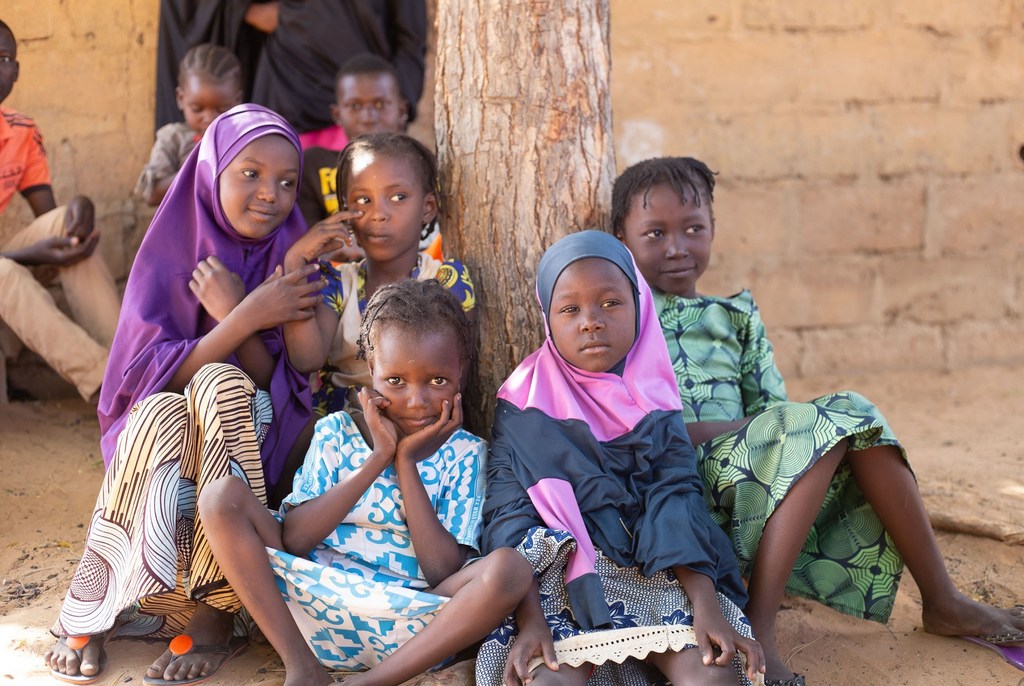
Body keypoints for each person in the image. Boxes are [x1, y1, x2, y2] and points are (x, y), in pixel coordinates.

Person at [611, 156, 1024, 685]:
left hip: (755, 472)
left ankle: (942, 599)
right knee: (824, 423)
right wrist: (751, 429)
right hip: (678, 483)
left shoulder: (736, 316)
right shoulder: (625, 317)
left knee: (855, 419)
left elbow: (779, 411)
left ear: (714, 229)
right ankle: (759, 630)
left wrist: (768, 429)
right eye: (655, 233)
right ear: (621, 239)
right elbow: (643, 431)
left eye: (694, 228)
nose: (677, 246)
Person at [44, 104, 351, 685]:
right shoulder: (170, 248)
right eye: (251, 174)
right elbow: (141, 379)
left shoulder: (292, 258)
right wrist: (240, 319)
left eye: (288, 182)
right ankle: (95, 601)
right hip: (164, 431)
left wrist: (246, 307)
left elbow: (286, 381)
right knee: (164, 406)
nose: (271, 194)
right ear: (211, 171)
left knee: (221, 382)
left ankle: (215, 609)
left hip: (256, 438)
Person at [199, 278, 534, 686]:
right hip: (312, 606)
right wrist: (379, 457)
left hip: (412, 625)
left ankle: (367, 682)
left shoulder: (466, 453)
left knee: (509, 570)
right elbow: (296, 539)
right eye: (396, 381)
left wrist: (405, 462)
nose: (416, 400)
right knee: (221, 498)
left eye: (437, 381)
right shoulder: (337, 432)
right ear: (371, 370)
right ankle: (303, 668)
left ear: (460, 373)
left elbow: (441, 569)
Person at [476, 231, 765, 686]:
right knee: (550, 682)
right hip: (560, 581)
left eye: (610, 303)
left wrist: (706, 606)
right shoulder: (522, 403)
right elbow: (508, 518)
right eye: (569, 309)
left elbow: (676, 495)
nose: (590, 321)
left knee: (713, 677)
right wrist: (530, 619)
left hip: (660, 572)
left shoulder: (654, 394)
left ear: (640, 305)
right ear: (548, 320)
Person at [290, 132, 475, 422]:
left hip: (422, 423)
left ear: (427, 208)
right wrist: (296, 262)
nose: (378, 214)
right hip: (343, 434)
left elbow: (458, 377)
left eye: (398, 197)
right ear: (345, 212)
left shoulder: (446, 279)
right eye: (363, 200)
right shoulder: (338, 284)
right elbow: (306, 359)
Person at [0, 18, 120, 402]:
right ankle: (107, 383)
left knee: (70, 236)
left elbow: (50, 225)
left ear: (16, 71)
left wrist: (78, 209)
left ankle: (130, 363)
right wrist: (20, 256)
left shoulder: (20, 132)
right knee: (2, 269)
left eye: (3, 58)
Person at [299, 54, 442, 261]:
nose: (368, 118)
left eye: (380, 104)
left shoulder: (421, 165)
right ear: (337, 114)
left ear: (402, 110)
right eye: (355, 106)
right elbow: (308, 240)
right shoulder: (314, 164)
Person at [242, 1, 427, 145]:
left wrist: (394, 106)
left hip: (366, 101)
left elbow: (411, 39)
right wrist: (249, 11)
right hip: (290, 92)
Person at [136, 43, 243, 207]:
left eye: (222, 109)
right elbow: (153, 195)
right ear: (180, 99)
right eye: (197, 109)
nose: (209, 118)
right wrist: (199, 169)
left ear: (237, 101)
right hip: (183, 231)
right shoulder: (173, 138)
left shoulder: (243, 139)